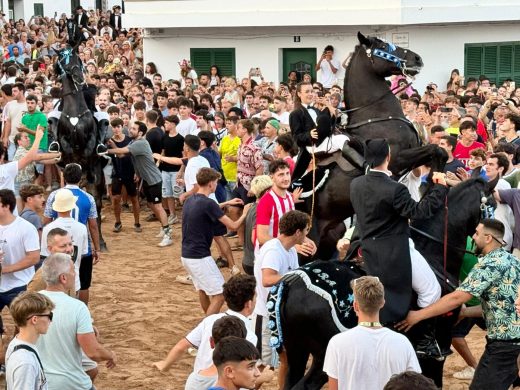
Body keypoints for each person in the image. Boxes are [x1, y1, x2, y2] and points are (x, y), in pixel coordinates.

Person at [350, 138, 448, 357]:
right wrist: (439, 188)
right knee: (432, 290)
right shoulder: (394, 189)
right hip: (396, 249)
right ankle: (423, 340)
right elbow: (420, 212)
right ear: (388, 157)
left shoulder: (355, 184)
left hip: (367, 248)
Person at [397, 219, 520, 390]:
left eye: (477, 233)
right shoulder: (511, 260)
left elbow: (457, 298)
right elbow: (499, 307)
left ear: (488, 238)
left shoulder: (489, 265)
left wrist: (418, 315)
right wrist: (464, 313)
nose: (473, 237)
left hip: (503, 346)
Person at [323, 276, 420, 390]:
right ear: (383, 303)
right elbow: (415, 385)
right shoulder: (403, 342)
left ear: (355, 306)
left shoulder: (337, 343)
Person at [37, 253, 116, 390]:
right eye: (73, 270)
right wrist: (110, 355)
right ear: (63, 278)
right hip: (68, 382)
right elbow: (93, 352)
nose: (75, 274)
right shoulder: (77, 307)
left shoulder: (32, 302)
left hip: (37, 380)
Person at [152, 274, 257, 374]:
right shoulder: (250, 334)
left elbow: (182, 346)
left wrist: (165, 365)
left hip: (200, 378)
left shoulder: (210, 320)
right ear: (249, 303)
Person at [180, 168, 252, 315]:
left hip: (187, 255)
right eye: (216, 183)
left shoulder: (190, 200)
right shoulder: (208, 204)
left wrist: (227, 202)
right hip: (200, 257)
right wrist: (245, 213)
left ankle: (208, 321)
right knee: (220, 294)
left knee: (202, 289)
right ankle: (208, 325)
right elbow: (233, 226)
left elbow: (207, 208)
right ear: (211, 184)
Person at [253, 210, 310, 387]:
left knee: (285, 358)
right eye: (306, 230)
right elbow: (267, 278)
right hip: (266, 316)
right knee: (262, 366)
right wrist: (297, 276)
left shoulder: (289, 249)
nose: (308, 235)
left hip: (280, 314)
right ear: (298, 232)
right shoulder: (274, 251)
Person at [106, 121, 173, 247]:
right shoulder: (134, 142)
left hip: (154, 180)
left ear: (140, 133)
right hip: (147, 179)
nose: (130, 130)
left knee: (158, 206)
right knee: (151, 204)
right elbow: (120, 155)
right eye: (130, 128)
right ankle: (164, 228)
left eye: (133, 129)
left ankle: (168, 234)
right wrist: (113, 144)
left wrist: (105, 150)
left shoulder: (140, 143)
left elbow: (121, 150)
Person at [43, 163, 101, 304]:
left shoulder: (54, 195)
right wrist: (97, 248)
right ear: (80, 178)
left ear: (64, 176)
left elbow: (46, 220)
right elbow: (93, 225)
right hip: (81, 245)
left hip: (58, 245)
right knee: (84, 283)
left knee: (57, 279)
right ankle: (82, 313)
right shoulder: (88, 197)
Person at [0, 188, 40, 336]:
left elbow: (34, 257)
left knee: (25, 326)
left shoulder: (25, 228)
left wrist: (5, 269)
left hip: (19, 285)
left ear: (6, 206)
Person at [255, 159, 316, 257]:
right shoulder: (266, 201)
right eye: (281, 175)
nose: (286, 178)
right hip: (269, 254)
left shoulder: (289, 197)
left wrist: (305, 239)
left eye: (287, 173)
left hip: (285, 251)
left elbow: (292, 227)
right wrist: (292, 246)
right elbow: (262, 237)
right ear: (272, 177)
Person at [41, 189, 89, 294]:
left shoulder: (48, 228)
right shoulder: (82, 228)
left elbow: (45, 255)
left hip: (53, 283)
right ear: (72, 206)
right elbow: (83, 253)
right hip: (73, 280)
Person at [6, 291, 55, 390]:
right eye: (49, 316)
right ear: (35, 320)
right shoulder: (25, 362)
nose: (50, 320)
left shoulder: (16, 343)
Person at [108, 118, 141, 233]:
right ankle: (118, 222)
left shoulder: (129, 140)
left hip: (130, 172)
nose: (116, 129)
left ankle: (137, 223)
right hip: (116, 172)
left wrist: (137, 172)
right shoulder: (109, 141)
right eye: (114, 127)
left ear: (122, 127)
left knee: (134, 198)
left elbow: (132, 157)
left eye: (118, 126)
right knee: (116, 199)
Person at [242, 175, 273, 276]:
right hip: (255, 262)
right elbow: (255, 238)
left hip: (248, 259)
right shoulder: (260, 210)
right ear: (267, 191)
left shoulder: (251, 207)